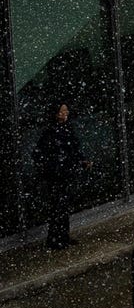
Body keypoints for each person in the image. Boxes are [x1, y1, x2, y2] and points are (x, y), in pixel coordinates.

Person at [33, 102, 81, 251]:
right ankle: (55, 239)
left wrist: (79, 160)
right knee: (57, 207)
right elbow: (40, 153)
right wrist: (52, 166)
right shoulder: (51, 132)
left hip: (64, 173)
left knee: (63, 206)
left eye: (66, 110)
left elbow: (73, 147)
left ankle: (62, 237)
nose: (65, 113)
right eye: (62, 111)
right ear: (56, 114)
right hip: (56, 175)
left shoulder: (66, 129)